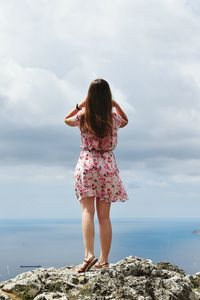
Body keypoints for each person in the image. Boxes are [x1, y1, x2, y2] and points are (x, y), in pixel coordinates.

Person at [64, 78, 128, 273]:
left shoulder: (84, 115)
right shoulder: (113, 118)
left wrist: (79, 105)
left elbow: (66, 120)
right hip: (107, 166)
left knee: (87, 212)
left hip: (87, 163)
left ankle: (88, 255)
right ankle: (104, 260)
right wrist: (116, 105)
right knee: (104, 217)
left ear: (89, 96)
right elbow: (125, 121)